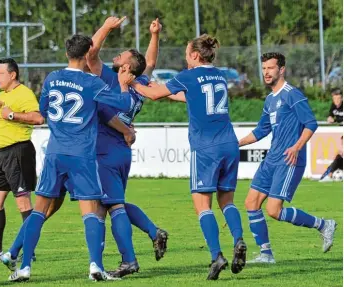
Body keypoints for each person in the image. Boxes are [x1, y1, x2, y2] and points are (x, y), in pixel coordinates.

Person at [3, 34, 133, 282]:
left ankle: (25, 267)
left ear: (66, 54)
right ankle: (95, 266)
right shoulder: (93, 83)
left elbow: (43, 112)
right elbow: (124, 104)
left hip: (55, 152)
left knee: (38, 212)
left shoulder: (52, 78)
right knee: (91, 213)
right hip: (82, 155)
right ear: (87, 55)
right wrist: (124, 84)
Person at [130, 34, 247, 280]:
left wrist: (134, 83)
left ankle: (217, 256)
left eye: (186, 54)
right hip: (229, 143)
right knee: (227, 201)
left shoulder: (188, 75)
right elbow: (189, 97)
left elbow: (154, 96)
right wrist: (158, 89)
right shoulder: (220, 76)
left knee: (202, 205)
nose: (185, 58)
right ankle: (239, 240)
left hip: (206, 148)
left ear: (195, 55)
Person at [85, 16, 169, 277]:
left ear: (126, 67)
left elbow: (90, 55)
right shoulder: (139, 83)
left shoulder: (112, 80)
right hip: (122, 150)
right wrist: (154, 35)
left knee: (112, 207)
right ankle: (154, 232)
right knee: (113, 202)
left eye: (120, 56)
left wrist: (106, 28)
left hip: (106, 149)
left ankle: (129, 261)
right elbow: (151, 62)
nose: (116, 56)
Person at [238, 52, 337, 264]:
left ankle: (323, 224)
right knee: (251, 202)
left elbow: (311, 124)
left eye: (270, 68)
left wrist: (296, 147)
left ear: (281, 70)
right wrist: (236, 144)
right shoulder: (270, 99)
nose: (266, 72)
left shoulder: (292, 94)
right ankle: (266, 254)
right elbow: (260, 131)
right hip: (271, 159)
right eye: (264, 68)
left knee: (273, 210)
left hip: (288, 159)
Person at [0, 58, 44, 262]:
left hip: (19, 152)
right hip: (2, 154)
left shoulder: (24, 93)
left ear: (12, 75)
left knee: (23, 202)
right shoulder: (0, 95)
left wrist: (11, 115)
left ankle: (29, 250)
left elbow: (38, 118)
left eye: (0, 73)